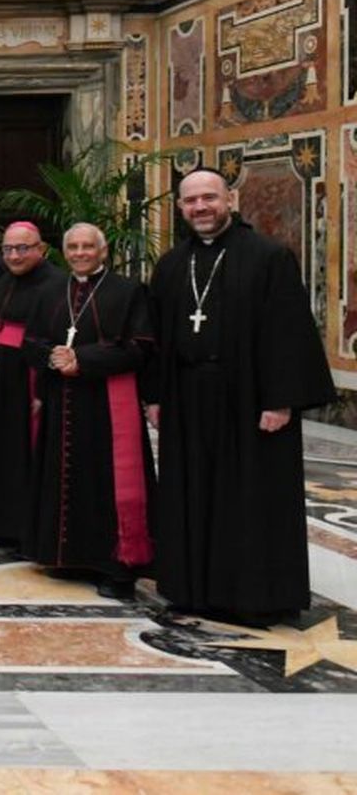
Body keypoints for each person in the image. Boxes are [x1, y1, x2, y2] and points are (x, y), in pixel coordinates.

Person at [147, 169, 334, 625]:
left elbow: (288, 334)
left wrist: (281, 400)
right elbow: (156, 338)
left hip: (249, 399)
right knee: (191, 493)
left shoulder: (268, 257)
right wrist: (155, 396)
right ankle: (190, 588)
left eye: (209, 197)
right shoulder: (172, 265)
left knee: (248, 496)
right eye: (191, 201)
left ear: (230, 198)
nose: (201, 208)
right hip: (187, 398)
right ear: (180, 208)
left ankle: (254, 597)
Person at [24, 224, 156, 600]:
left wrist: (82, 360)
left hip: (106, 406)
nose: (80, 253)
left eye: (87, 246)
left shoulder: (128, 291)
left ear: (103, 250)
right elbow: (30, 342)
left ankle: (114, 567)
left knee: (105, 483)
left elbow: (141, 346)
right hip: (59, 402)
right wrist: (52, 357)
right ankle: (67, 557)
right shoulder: (50, 290)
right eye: (73, 247)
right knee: (63, 477)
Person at [0, 221, 64, 547]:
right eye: (8, 249)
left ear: (40, 249)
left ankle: (24, 530)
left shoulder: (55, 284)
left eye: (22, 248)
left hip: (27, 380)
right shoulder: (3, 280)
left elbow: (52, 339)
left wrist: (41, 389)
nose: (14, 255)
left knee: (24, 456)